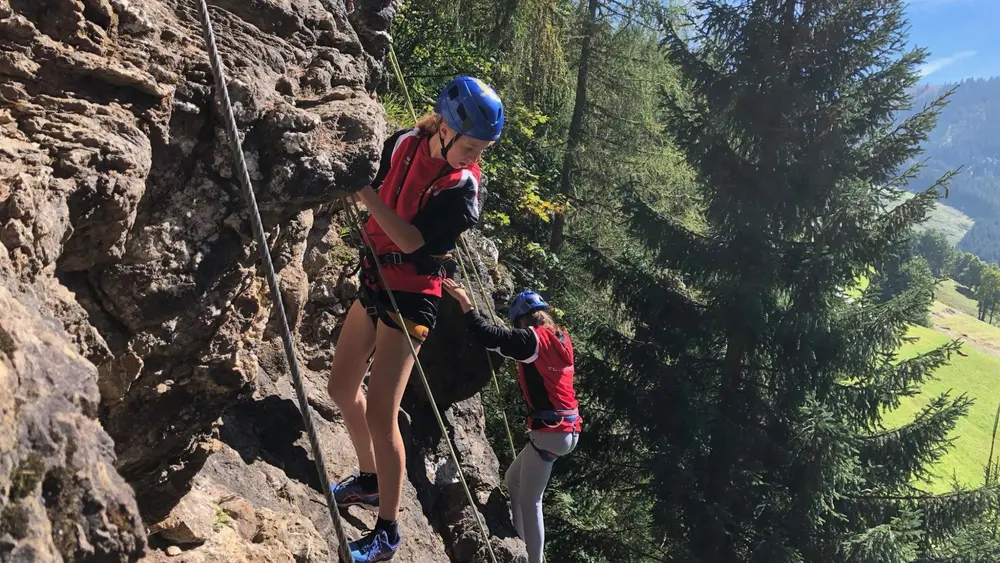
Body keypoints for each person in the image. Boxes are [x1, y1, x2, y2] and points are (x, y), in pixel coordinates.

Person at [327, 76, 504, 562]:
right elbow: (377, 178)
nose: (475, 156)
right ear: (444, 127)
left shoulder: (463, 190)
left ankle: (387, 530)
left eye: (482, 148)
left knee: (382, 411)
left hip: (412, 297)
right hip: (375, 278)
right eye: (470, 145)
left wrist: (362, 191)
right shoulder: (405, 142)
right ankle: (369, 479)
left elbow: (409, 240)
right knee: (341, 387)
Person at [442, 279, 582, 563]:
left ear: (523, 320)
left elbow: (490, 336)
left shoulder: (533, 339)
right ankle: (519, 542)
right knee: (513, 480)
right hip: (566, 428)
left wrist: (465, 302)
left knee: (532, 500)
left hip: (551, 431)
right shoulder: (560, 339)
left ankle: (533, 560)